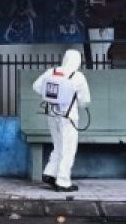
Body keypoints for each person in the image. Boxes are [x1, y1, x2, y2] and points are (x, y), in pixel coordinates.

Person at [32, 49, 91, 193]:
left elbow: (36, 86)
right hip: (68, 117)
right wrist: (78, 101)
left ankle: (50, 173)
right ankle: (63, 182)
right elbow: (85, 101)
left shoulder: (52, 72)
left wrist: (52, 95)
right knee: (68, 149)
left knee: (58, 145)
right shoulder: (78, 76)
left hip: (52, 114)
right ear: (77, 61)